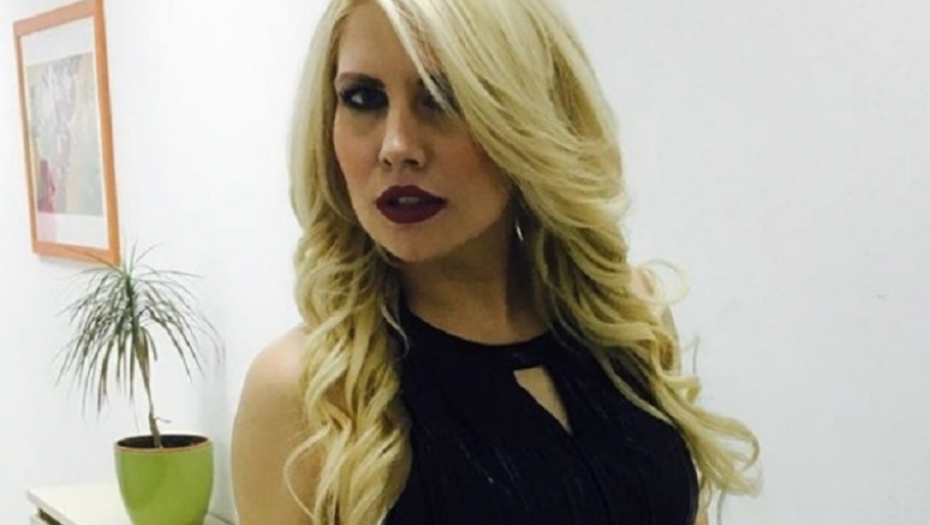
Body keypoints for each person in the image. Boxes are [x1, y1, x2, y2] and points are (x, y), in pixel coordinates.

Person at [231, 0, 760, 523]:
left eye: (442, 96)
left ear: (528, 116)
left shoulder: (630, 318)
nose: (396, 146)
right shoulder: (305, 393)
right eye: (363, 98)